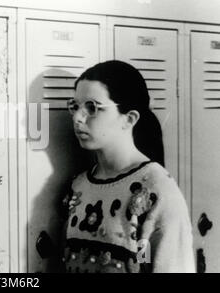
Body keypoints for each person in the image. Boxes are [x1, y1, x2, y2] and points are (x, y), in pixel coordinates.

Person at [61, 60, 194, 273]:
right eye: (75, 106)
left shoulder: (157, 190)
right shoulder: (79, 186)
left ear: (129, 119)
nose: (78, 117)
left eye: (92, 107)